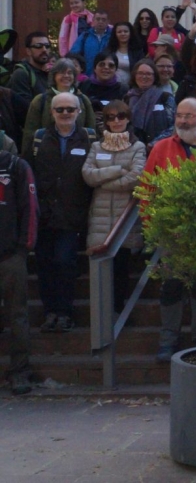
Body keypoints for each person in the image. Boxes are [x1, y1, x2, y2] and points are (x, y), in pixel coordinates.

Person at [144, 98, 196, 360]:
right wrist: (152, 225)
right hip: (170, 232)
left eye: (189, 116)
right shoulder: (160, 148)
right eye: (180, 115)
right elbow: (147, 190)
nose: (183, 120)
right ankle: (168, 339)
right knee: (172, 286)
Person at [25, 92, 95, 333]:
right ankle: (50, 312)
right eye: (60, 109)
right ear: (52, 112)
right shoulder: (39, 138)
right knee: (44, 265)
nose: (65, 113)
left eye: (70, 109)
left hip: (72, 214)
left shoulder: (89, 137)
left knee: (65, 262)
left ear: (79, 111)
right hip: (43, 213)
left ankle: (65, 312)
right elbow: (28, 170)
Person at [81, 101, 146, 322]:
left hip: (124, 218)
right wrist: (118, 170)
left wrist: (103, 181)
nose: (116, 121)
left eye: (120, 116)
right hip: (99, 217)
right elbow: (88, 175)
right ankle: (101, 316)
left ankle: (117, 313)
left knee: (120, 270)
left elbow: (136, 177)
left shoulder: (138, 147)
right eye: (110, 117)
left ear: (128, 119)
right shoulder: (96, 147)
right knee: (100, 270)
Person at [0, 143, 36, 394]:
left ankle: (20, 372)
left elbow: (30, 209)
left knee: (17, 315)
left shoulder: (15, 165)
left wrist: (23, 247)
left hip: (10, 254)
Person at [22, 58, 95, 155]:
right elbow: (29, 133)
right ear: (54, 76)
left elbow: (91, 131)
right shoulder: (40, 100)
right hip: (46, 153)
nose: (66, 76)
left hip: (78, 154)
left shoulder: (84, 100)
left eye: (70, 73)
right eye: (62, 72)